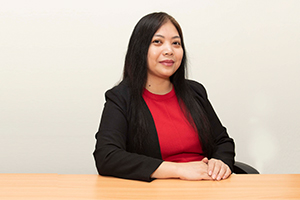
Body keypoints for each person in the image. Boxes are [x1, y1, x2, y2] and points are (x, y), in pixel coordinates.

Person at [93, 12, 235, 182]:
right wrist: (178, 169)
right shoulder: (121, 97)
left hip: (207, 188)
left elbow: (222, 141)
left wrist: (219, 163)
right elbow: (107, 156)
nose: (169, 50)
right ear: (140, 49)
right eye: (157, 42)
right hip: (156, 191)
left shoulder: (195, 92)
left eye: (176, 43)